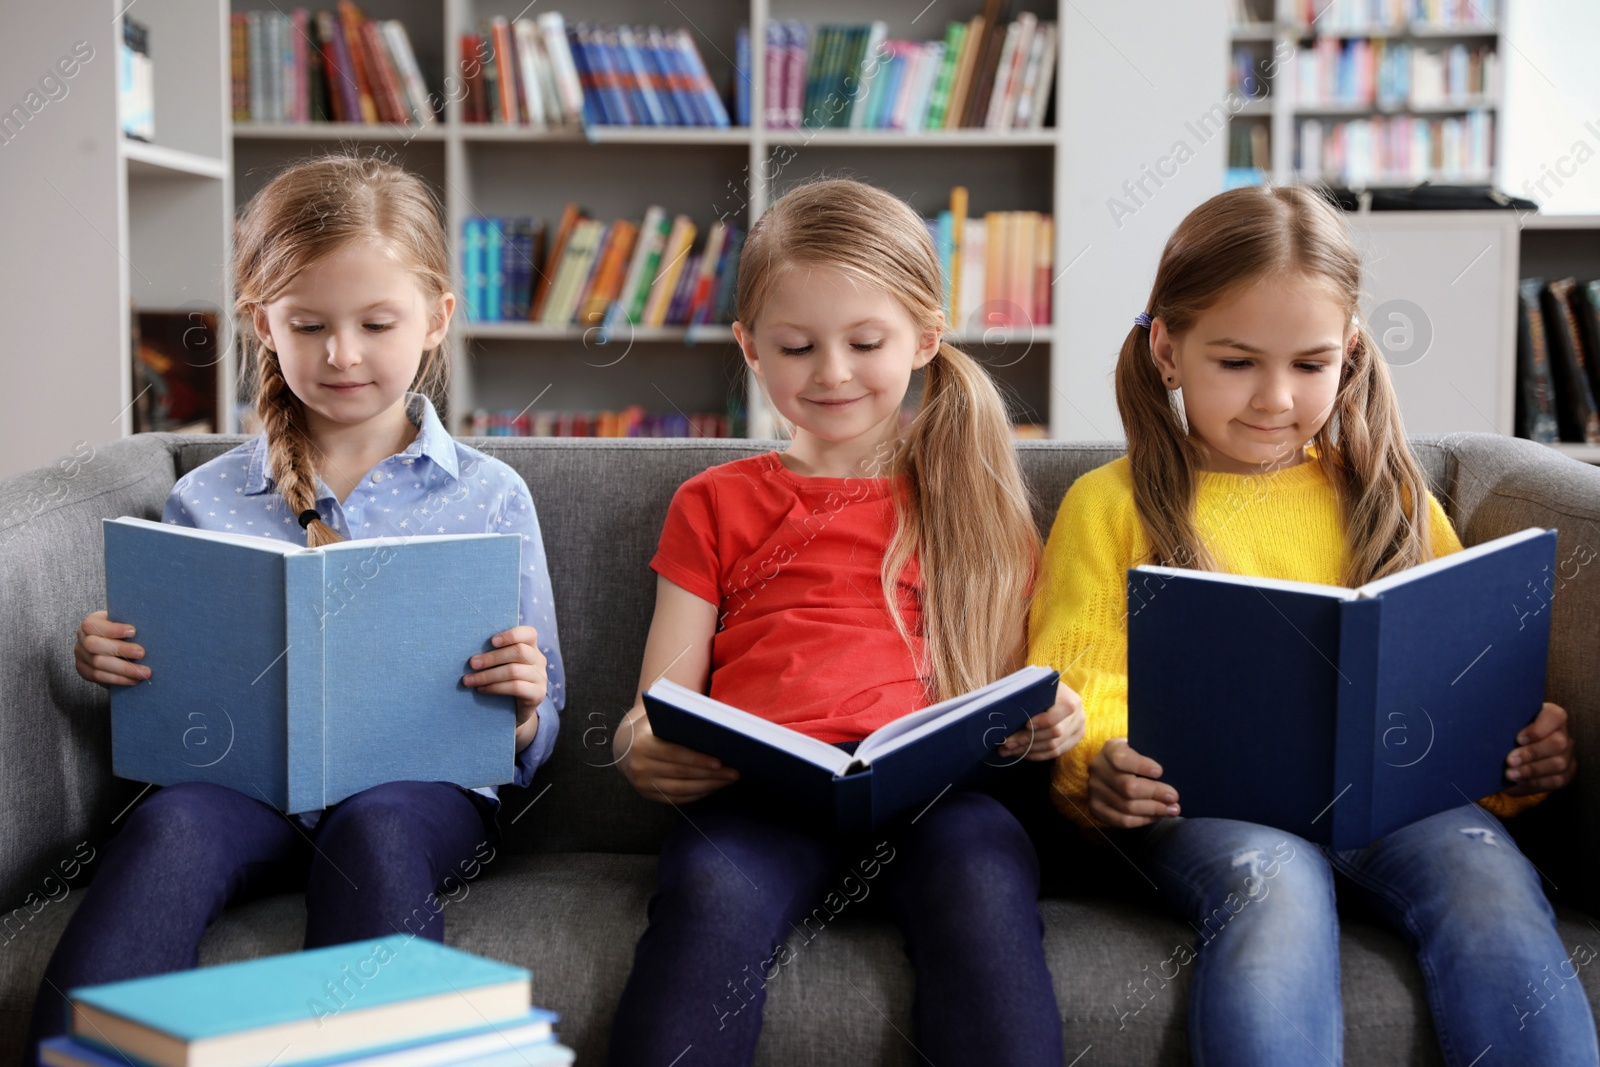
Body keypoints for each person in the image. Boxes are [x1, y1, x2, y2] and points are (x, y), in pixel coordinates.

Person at [1028, 183, 1596, 1066]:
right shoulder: (1110, 503)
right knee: (1277, 883)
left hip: (1394, 805)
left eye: (1309, 364)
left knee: (1485, 870)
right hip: (1204, 807)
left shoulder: (1394, 494)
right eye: (1237, 361)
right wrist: (1100, 758)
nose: (1275, 398)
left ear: (1351, 354)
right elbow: (1080, 672)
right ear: (1168, 349)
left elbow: (1465, 669)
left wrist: (1516, 750)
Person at [30, 156, 565, 1046]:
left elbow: (542, 725)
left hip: (419, 797)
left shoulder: (492, 495)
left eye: (376, 322)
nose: (342, 352)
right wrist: (116, 666)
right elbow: (170, 705)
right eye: (308, 324)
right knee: (170, 829)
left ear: (435, 320)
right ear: (262, 324)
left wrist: (521, 706)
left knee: (379, 828)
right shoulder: (205, 497)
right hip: (246, 791)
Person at [606, 178, 1085, 1067]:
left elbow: (1014, 693)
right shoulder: (713, 503)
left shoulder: (974, 501)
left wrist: (1049, 724)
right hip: (761, 801)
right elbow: (657, 702)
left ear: (925, 337)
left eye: (865, 342)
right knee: (711, 891)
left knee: (984, 876)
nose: (830, 372)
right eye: (797, 346)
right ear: (750, 348)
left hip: (941, 802)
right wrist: (643, 746)